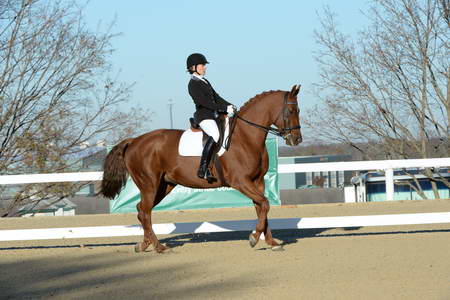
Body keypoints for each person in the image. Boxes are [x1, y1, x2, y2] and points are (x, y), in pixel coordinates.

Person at [186, 53, 235, 182]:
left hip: (214, 115)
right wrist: (224, 109)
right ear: (193, 67)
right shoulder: (193, 84)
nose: (204, 68)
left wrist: (229, 105)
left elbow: (216, 97)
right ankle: (203, 168)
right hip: (204, 116)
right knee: (215, 134)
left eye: (204, 65)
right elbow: (204, 102)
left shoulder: (205, 81)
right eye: (202, 65)